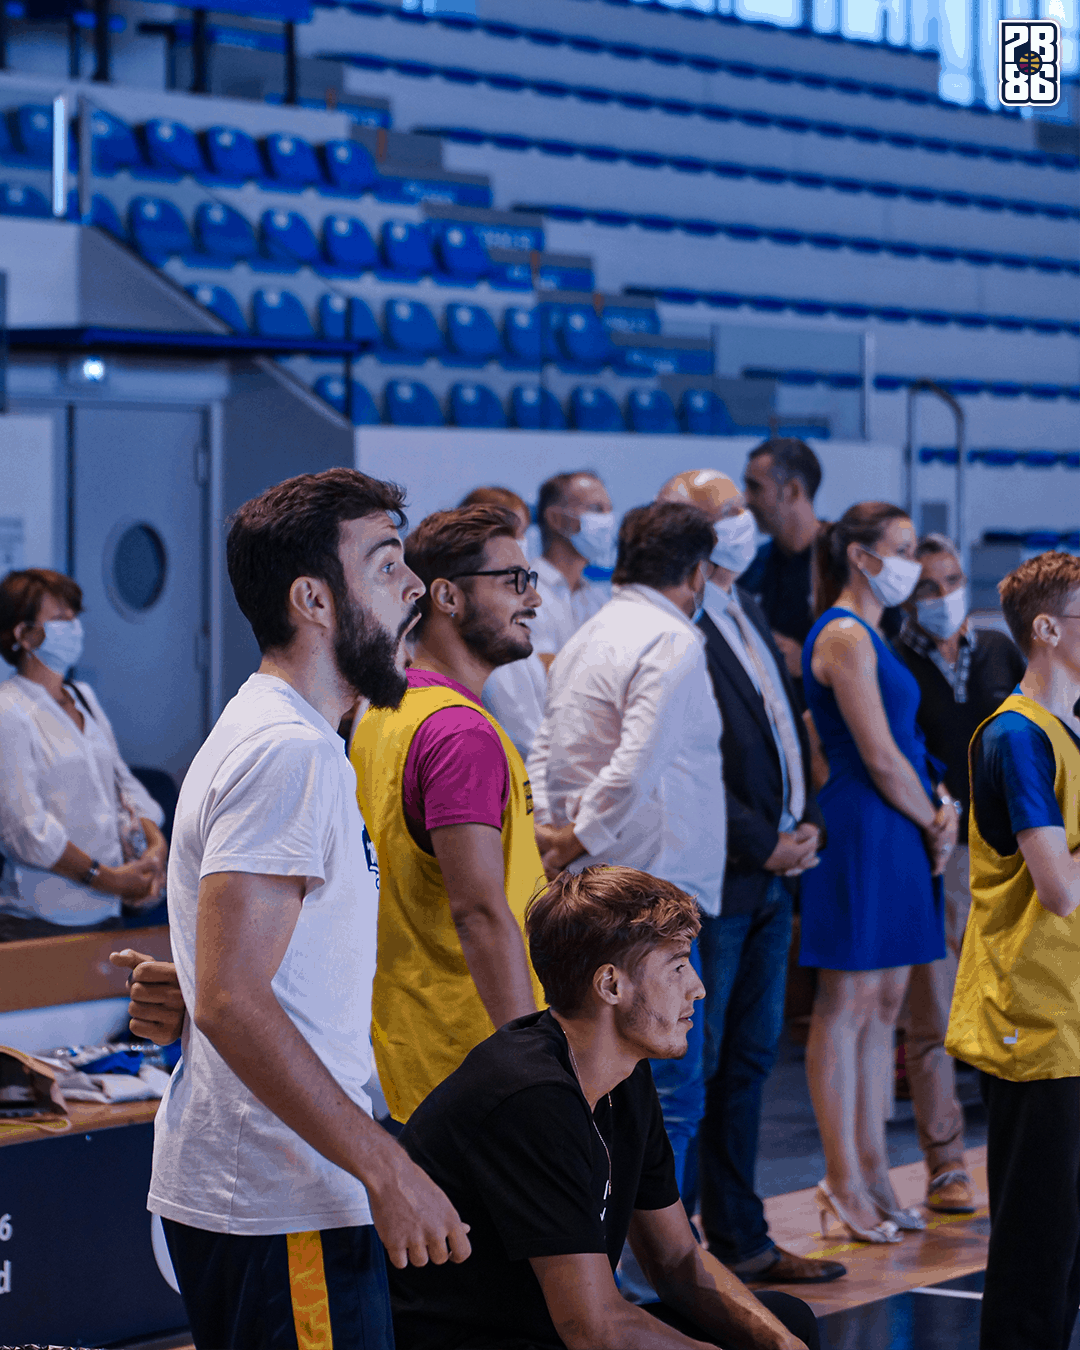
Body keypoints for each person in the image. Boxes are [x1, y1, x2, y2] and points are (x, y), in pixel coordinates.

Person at [149, 469, 470, 1350]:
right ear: (313, 600)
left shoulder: (287, 737)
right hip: (283, 1198)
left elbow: (235, 976)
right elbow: (233, 1000)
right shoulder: (288, 752)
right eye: (387, 565)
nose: (415, 588)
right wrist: (386, 1168)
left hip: (279, 1188)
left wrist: (185, 982)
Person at [390, 865, 819, 1350]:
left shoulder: (624, 1072)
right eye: (677, 967)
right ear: (611, 986)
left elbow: (678, 1260)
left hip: (556, 1330)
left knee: (785, 1322)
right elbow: (594, 1330)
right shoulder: (530, 1096)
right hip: (476, 1340)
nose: (698, 988)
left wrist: (782, 1344)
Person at [656, 470, 842, 1286]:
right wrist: (762, 841)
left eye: (740, 507)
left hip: (775, 870)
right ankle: (676, 1254)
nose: (740, 522)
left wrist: (806, 821)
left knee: (750, 1063)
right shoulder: (679, 623)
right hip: (722, 873)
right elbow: (689, 764)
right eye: (722, 512)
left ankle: (741, 1237)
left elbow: (778, 728)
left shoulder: (747, 604)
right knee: (695, 1071)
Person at [528, 500, 726, 1199]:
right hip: (656, 889)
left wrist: (555, 834)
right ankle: (660, 1253)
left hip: (601, 879)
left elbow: (546, 747)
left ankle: (609, 1242)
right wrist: (573, 838)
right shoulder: (672, 639)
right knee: (669, 1090)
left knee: (609, 1079)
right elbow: (636, 766)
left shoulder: (589, 632)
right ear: (697, 574)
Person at [349, 504, 547, 1124]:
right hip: (474, 1057)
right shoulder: (459, 733)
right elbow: (479, 911)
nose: (534, 598)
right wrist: (534, 1066)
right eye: (514, 581)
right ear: (447, 597)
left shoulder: (386, 711)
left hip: (411, 1049)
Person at [799, 502, 957, 1243]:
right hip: (866, 824)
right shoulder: (842, 634)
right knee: (847, 1004)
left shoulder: (876, 634)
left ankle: (874, 1173)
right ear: (861, 556)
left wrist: (939, 809)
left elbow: (908, 747)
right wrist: (931, 820)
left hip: (901, 822)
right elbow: (879, 756)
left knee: (886, 1006)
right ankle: (842, 1177)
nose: (912, 564)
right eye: (901, 548)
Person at [946, 551, 1080, 1350]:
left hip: (1070, 1014)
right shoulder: (1015, 737)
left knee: (1067, 1251)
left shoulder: (1066, 730)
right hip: (1032, 1020)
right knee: (1037, 1249)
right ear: (1047, 629)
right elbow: (1058, 887)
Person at [895, 534, 1026, 1215]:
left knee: (1016, 1008)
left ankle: (1017, 1154)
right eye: (927, 585)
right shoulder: (893, 661)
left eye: (951, 581)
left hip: (1009, 853)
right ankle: (946, 1163)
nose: (943, 595)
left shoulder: (1001, 651)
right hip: (935, 851)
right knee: (935, 1017)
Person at [0, 568, 167, 941]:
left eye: (74, 616)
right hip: (39, 920)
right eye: (60, 619)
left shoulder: (83, 697)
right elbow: (26, 830)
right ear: (23, 635)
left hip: (105, 912)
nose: (74, 627)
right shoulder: (8, 710)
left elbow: (123, 784)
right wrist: (108, 879)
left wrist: (156, 848)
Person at [459, 486, 550, 762]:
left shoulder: (513, 627)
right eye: (510, 533)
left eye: (521, 533)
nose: (535, 599)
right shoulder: (486, 629)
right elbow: (523, 740)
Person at [739, 440, 824, 688]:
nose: (745, 499)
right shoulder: (752, 567)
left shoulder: (843, 565)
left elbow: (881, 654)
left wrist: (808, 662)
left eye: (755, 487)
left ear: (793, 490)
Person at [528, 470, 615, 670]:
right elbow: (543, 671)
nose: (607, 520)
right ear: (555, 519)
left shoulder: (597, 598)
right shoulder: (527, 592)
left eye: (609, 510)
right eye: (596, 509)